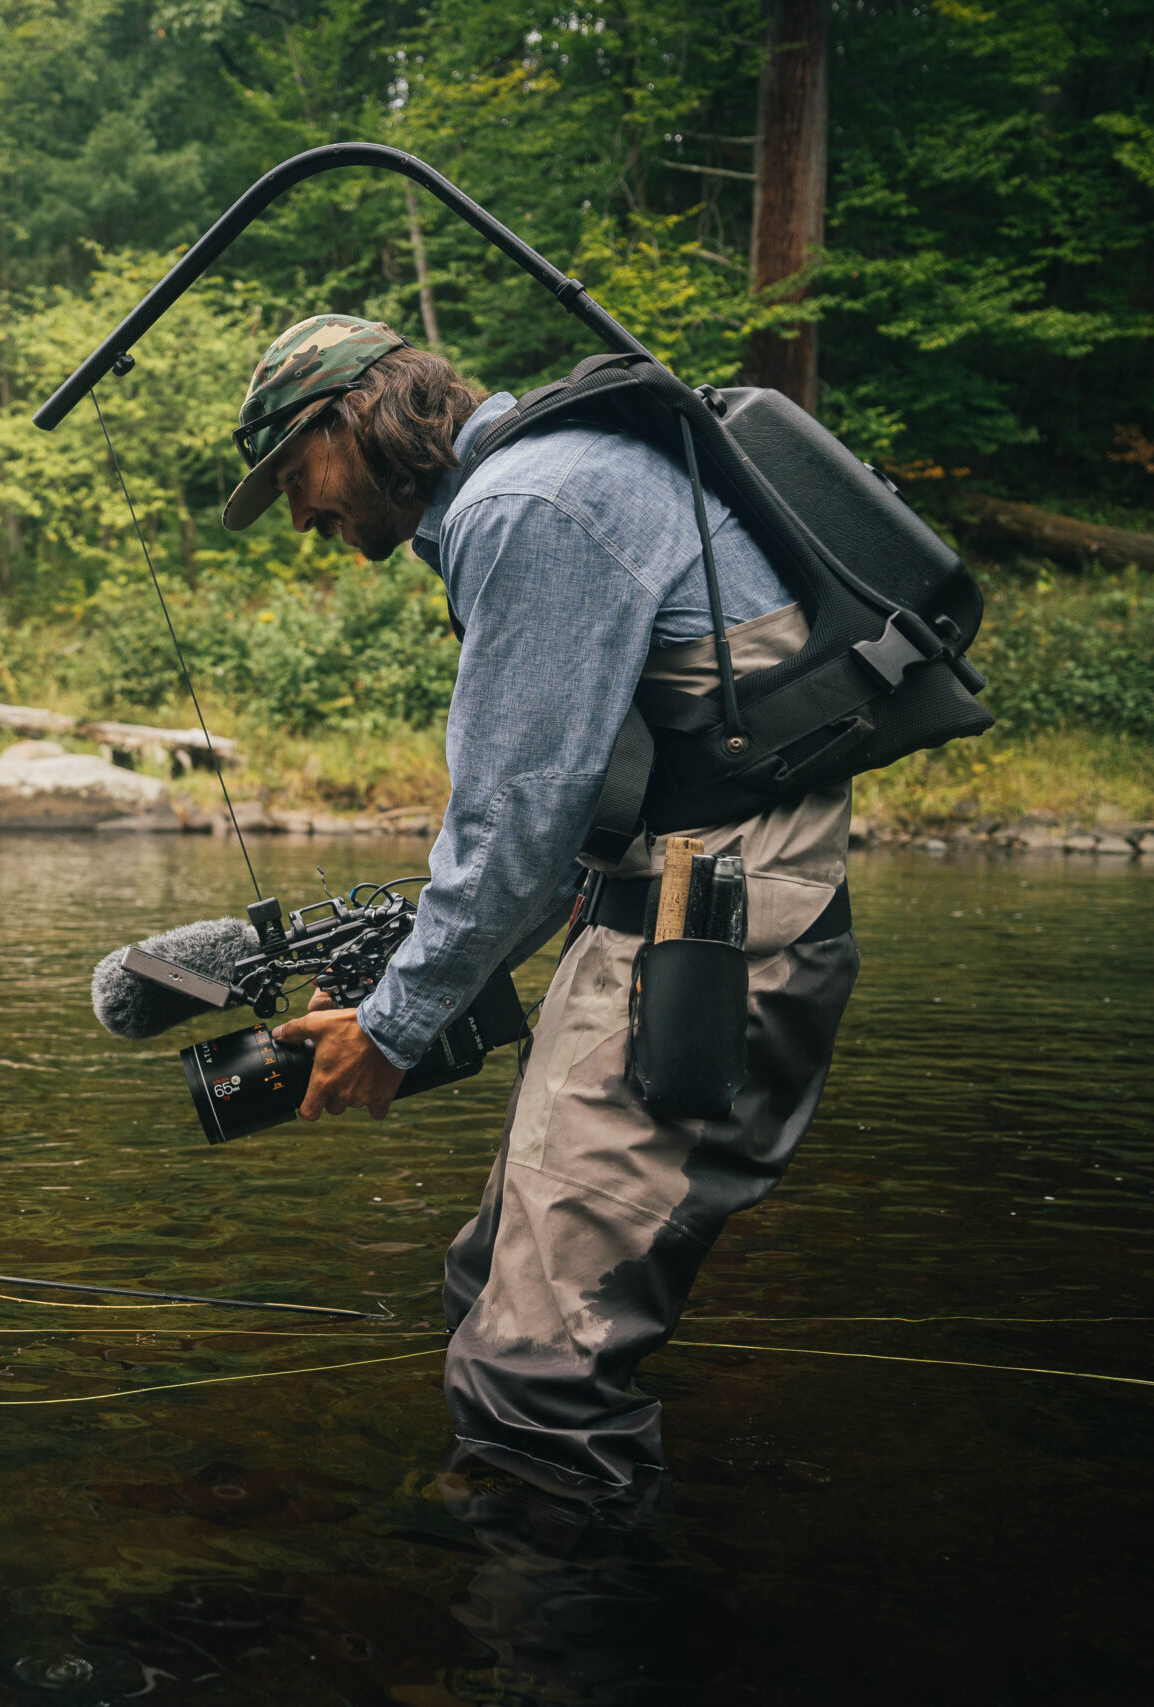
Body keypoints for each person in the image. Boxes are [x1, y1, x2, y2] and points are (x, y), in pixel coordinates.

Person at [233, 315, 859, 1500]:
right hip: (686, 914)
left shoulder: (529, 503)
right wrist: (400, 995)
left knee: (534, 1374)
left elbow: (514, 827)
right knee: (487, 1291)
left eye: (291, 475)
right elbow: (569, 828)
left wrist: (395, 1027)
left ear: (351, 420)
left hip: (700, 942)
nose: (300, 516)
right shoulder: (551, 481)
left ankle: (556, 1659)